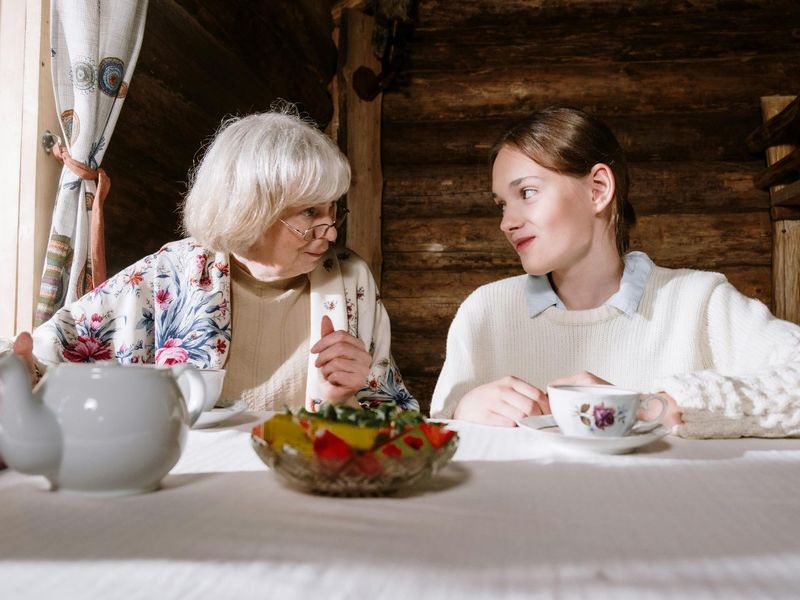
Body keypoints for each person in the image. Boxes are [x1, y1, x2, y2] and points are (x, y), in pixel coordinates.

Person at [7, 107, 417, 413]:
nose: (331, 232)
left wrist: (345, 399)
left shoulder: (350, 279)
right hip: (187, 477)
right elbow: (42, 354)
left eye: (333, 211)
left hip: (301, 476)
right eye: (310, 213)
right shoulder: (172, 272)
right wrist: (18, 370)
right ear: (250, 210)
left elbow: (395, 412)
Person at [430, 106, 800, 438]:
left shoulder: (700, 300)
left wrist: (648, 408)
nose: (507, 223)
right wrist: (460, 413)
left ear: (598, 189)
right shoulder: (484, 310)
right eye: (502, 205)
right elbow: (433, 440)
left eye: (526, 193)